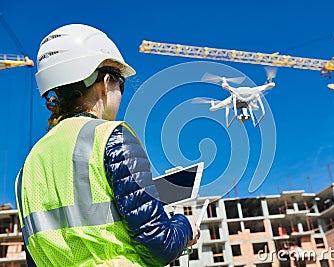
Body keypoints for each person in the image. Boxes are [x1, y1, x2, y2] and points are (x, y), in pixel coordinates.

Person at [15, 23, 200, 267]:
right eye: (120, 83)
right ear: (105, 82)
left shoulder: (26, 169)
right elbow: (159, 244)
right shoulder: (110, 136)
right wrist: (184, 226)